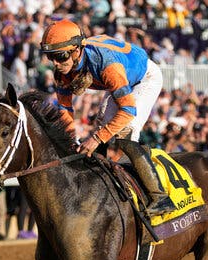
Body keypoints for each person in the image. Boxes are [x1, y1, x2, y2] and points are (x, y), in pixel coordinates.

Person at [40, 19, 175, 216]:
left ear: (77, 50)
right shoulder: (62, 71)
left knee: (125, 131)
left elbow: (128, 110)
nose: (56, 64)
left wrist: (95, 139)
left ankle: (160, 196)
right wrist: (70, 141)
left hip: (143, 78)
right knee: (101, 124)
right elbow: (65, 110)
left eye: (60, 57)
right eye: (50, 57)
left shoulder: (107, 65)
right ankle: (100, 185)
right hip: (119, 79)